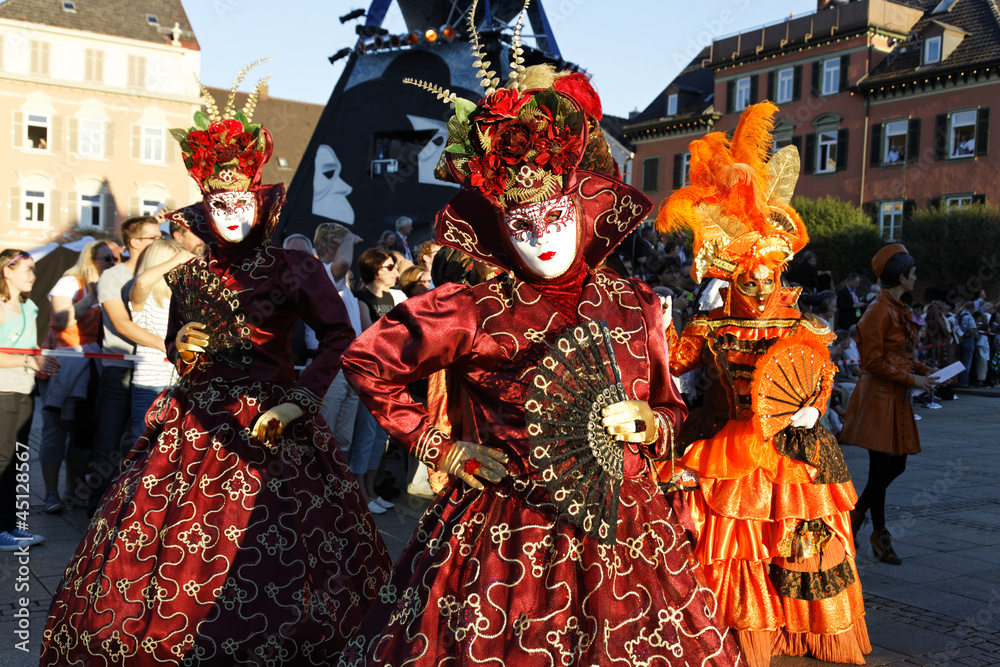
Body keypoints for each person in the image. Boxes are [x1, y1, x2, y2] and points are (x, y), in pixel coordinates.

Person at [340, 56, 741, 665]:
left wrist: (650, 423)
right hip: (506, 527)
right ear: (500, 228)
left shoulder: (631, 303)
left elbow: (669, 406)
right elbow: (368, 362)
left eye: (552, 216)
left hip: (626, 521)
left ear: (580, 207)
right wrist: (437, 447)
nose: (540, 236)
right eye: (520, 223)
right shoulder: (475, 309)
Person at [41, 75, 392, 664]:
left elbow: (340, 338)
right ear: (204, 205)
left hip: (275, 422)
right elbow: (184, 348)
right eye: (218, 202)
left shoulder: (295, 269)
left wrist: (300, 400)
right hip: (195, 421)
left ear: (260, 199)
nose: (231, 214)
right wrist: (180, 342)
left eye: (240, 200)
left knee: (281, 545)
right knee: (167, 541)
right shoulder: (191, 272)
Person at [655, 102, 870, 667]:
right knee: (736, 547)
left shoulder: (797, 321)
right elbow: (674, 364)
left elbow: (817, 372)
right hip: (728, 440)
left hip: (792, 449)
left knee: (798, 542)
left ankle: (799, 630)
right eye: (748, 276)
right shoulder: (710, 322)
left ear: (779, 273)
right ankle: (737, 635)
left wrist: (813, 407)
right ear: (732, 275)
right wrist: (656, 323)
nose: (757, 284)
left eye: (767, 275)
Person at [841, 244, 939, 565]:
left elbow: (903, 356)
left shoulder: (896, 306)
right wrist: (914, 380)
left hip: (893, 397)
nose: (916, 278)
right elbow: (873, 362)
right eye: (913, 274)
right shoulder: (879, 310)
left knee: (894, 465)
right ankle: (879, 534)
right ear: (901, 277)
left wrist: (928, 372)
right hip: (878, 398)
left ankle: (856, 517)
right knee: (882, 467)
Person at [86, 215, 165, 515]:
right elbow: (122, 323)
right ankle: (96, 510)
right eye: (153, 238)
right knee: (108, 443)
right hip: (120, 369)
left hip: (153, 368)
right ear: (134, 242)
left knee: (141, 442)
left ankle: (132, 509)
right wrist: (166, 345)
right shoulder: (113, 277)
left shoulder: (158, 273)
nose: (159, 242)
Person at [39, 241, 113, 514]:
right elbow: (61, 320)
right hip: (62, 364)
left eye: (114, 259)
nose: (111, 263)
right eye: (107, 259)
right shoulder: (69, 283)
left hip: (94, 367)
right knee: (55, 430)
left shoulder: (109, 285)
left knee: (82, 432)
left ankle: (71, 488)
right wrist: (92, 296)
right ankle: (49, 493)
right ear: (91, 259)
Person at [0, 249, 60, 550]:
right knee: (1, 461)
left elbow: (30, 349)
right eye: (27, 270)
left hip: (25, 392)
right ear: (7, 272)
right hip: (2, 392)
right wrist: (28, 361)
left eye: (34, 270)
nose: (33, 276)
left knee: (16, 462)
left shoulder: (31, 307)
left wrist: (41, 362)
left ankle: (11, 527)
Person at [351, 247, 404, 514]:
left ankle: (371, 489)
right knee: (365, 434)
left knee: (380, 437)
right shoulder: (361, 297)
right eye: (389, 267)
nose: (395, 272)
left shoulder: (392, 298)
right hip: (369, 375)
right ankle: (360, 492)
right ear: (374, 270)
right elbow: (366, 336)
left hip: (388, 374)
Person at [311, 222, 367, 454]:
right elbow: (343, 262)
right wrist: (348, 238)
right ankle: (315, 488)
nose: (349, 250)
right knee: (324, 435)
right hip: (329, 367)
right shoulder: (319, 273)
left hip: (348, 366)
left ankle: (336, 487)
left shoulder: (344, 285)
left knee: (342, 440)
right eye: (343, 243)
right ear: (330, 245)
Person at [128, 239, 192, 437]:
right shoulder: (144, 298)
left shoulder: (183, 297)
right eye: (175, 263)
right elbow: (141, 282)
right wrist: (178, 258)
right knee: (144, 453)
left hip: (183, 384)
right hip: (150, 386)